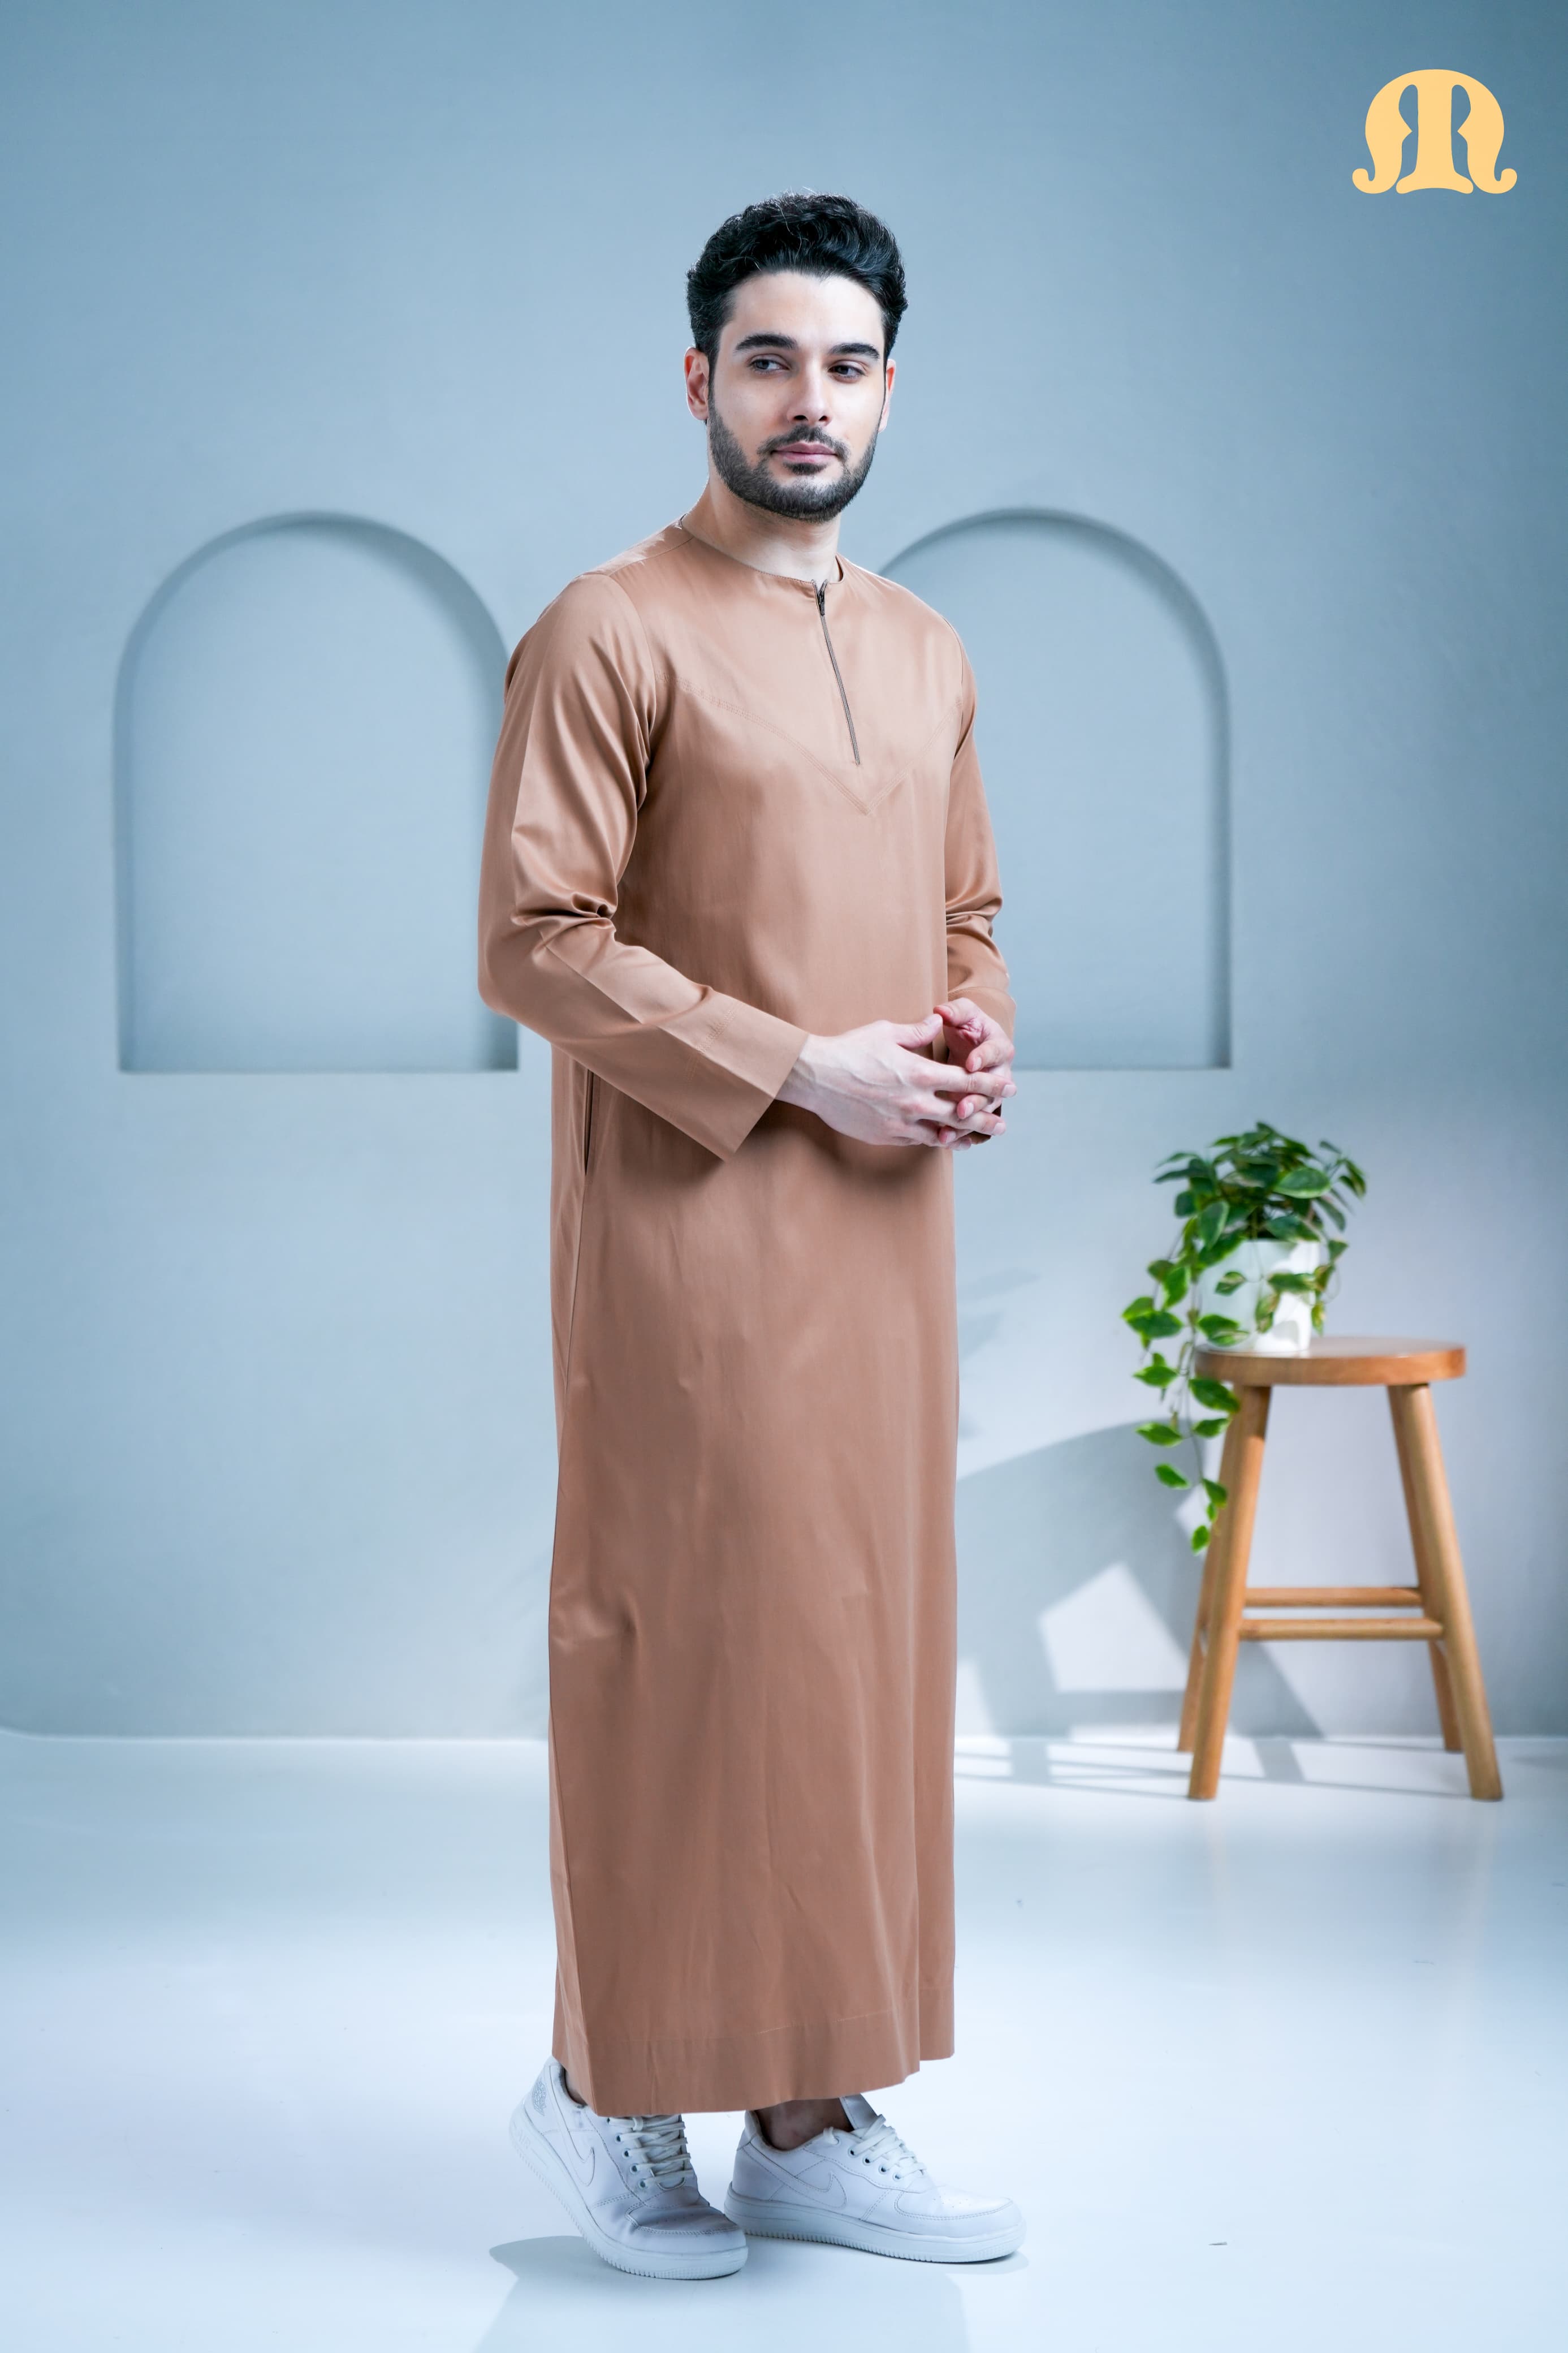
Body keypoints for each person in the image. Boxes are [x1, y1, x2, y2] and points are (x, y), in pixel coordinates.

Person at [478, 191, 1023, 2280]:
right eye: (773, 359)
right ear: (698, 377)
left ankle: (813, 2107)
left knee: (852, 1661)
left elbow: (968, 912)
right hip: (691, 1231)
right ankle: (612, 2088)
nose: (814, 401)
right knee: (682, 1645)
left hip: (885, 1238)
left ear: (893, 386)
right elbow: (534, 942)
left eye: (852, 363)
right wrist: (805, 1068)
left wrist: (974, 1049)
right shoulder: (608, 626)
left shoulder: (923, 645)